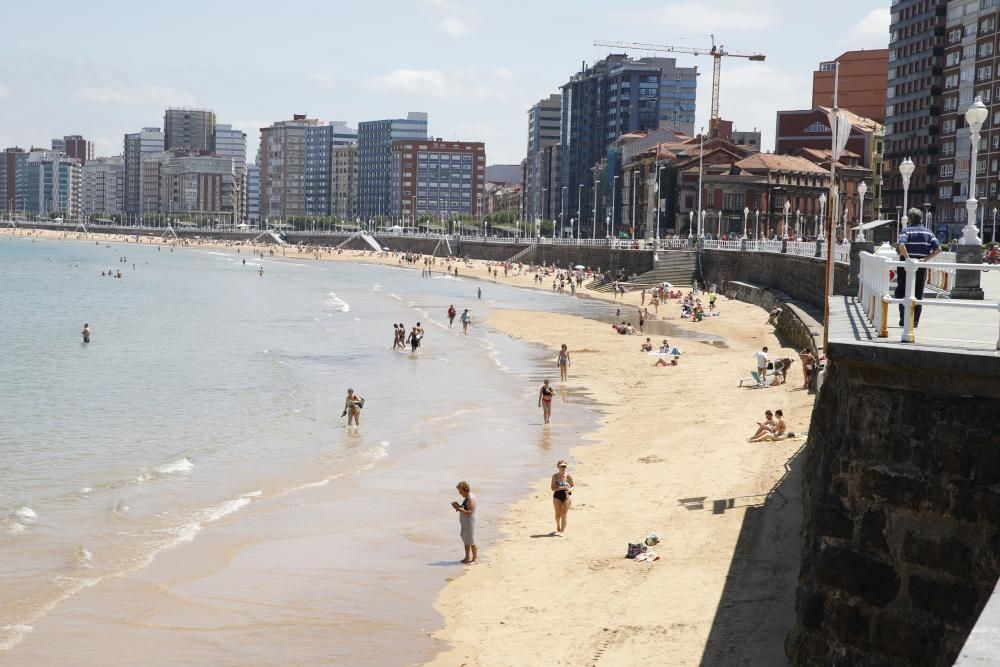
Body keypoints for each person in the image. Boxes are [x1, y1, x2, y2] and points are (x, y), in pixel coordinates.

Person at [895, 207, 941, 328]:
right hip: (921, 266)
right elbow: (938, 249)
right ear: (921, 218)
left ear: (910, 219)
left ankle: (904, 319)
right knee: (918, 292)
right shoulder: (929, 232)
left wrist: (908, 258)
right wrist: (925, 259)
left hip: (906, 266)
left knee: (903, 291)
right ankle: (915, 321)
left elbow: (901, 245)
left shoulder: (907, 231)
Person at [451, 481, 477, 564]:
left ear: (465, 489)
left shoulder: (470, 498)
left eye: (460, 491)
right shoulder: (467, 497)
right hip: (466, 523)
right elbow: (464, 508)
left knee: (471, 541)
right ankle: (467, 558)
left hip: (469, 523)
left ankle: (474, 559)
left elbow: (469, 512)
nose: (460, 493)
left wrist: (460, 509)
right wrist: (458, 506)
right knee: (467, 540)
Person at [550, 461, 575, 535]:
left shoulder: (568, 476)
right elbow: (552, 488)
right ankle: (558, 525)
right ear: (558, 467)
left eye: (564, 466)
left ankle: (562, 531)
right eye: (561, 466)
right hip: (557, 496)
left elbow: (573, 485)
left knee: (564, 513)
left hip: (567, 495)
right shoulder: (554, 476)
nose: (563, 468)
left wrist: (570, 489)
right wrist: (561, 488)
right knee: (558, 514)